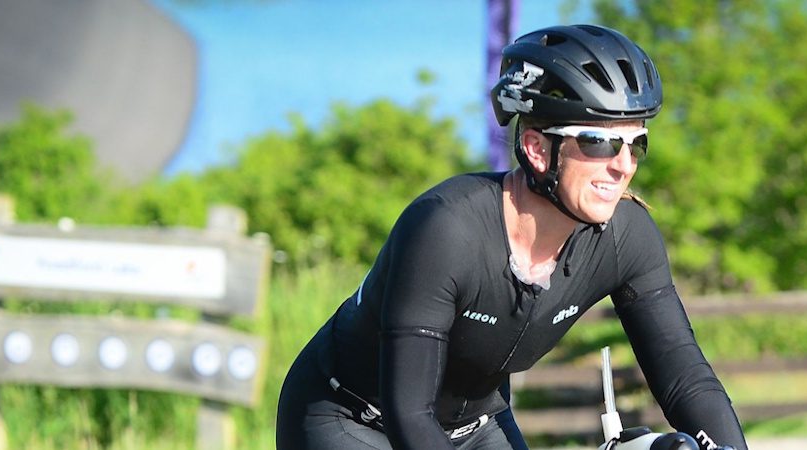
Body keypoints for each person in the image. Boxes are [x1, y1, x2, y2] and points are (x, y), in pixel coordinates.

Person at [276, 24, 748, 450]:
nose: (624, 165)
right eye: (599, 142)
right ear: (537, 148)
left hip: (478, 426)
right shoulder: (445, 229)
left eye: (635, 143)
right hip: (350, 419)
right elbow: (410, 414)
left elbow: (686, 380)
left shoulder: (627, 237)